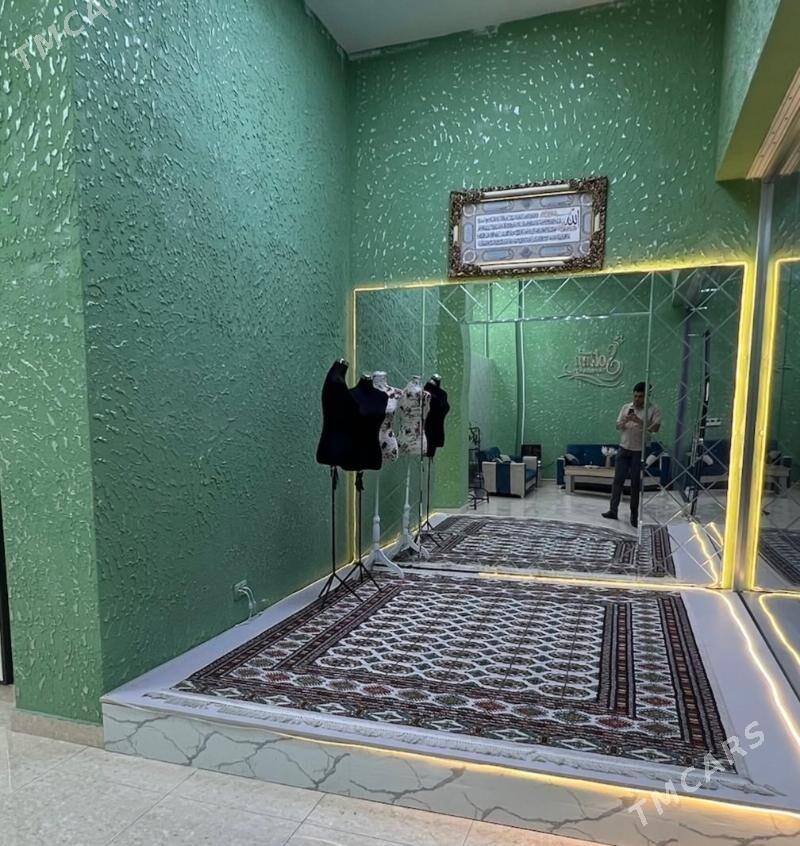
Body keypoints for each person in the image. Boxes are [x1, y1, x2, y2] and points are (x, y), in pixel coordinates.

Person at [602, 382, 662, 528]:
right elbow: (617, 426)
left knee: (635, 484)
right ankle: (613, 510)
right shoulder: (626, 407)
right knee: (617, 481)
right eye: (635, 396)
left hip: (638, 452)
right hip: (623, 448)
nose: (637, 399)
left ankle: (634, 516)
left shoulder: (653, 409)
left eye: (640, 396)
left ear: (646, 396)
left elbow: (655, 428)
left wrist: (639, 421)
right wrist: (624, 421)